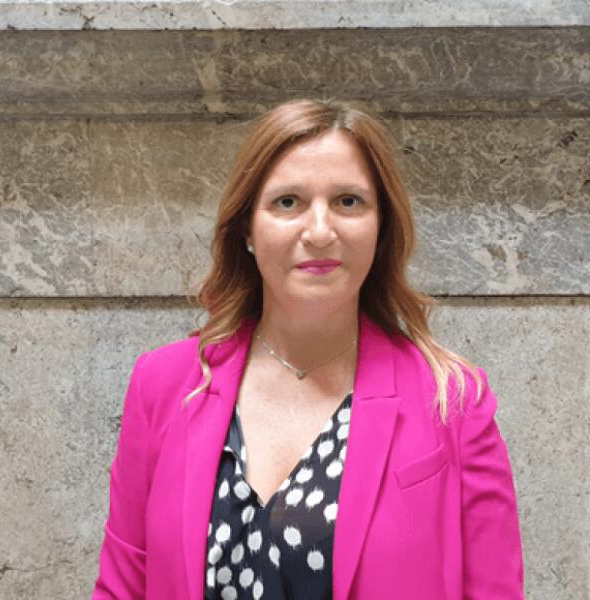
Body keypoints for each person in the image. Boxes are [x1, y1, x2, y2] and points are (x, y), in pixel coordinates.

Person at [91, 98, 525, 599]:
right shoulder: (164, 384)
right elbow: (122, 588)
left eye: (348, 202)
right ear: (247, 228)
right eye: (287, 202)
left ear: (382, 226)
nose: (319, 232)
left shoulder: (452, 400)